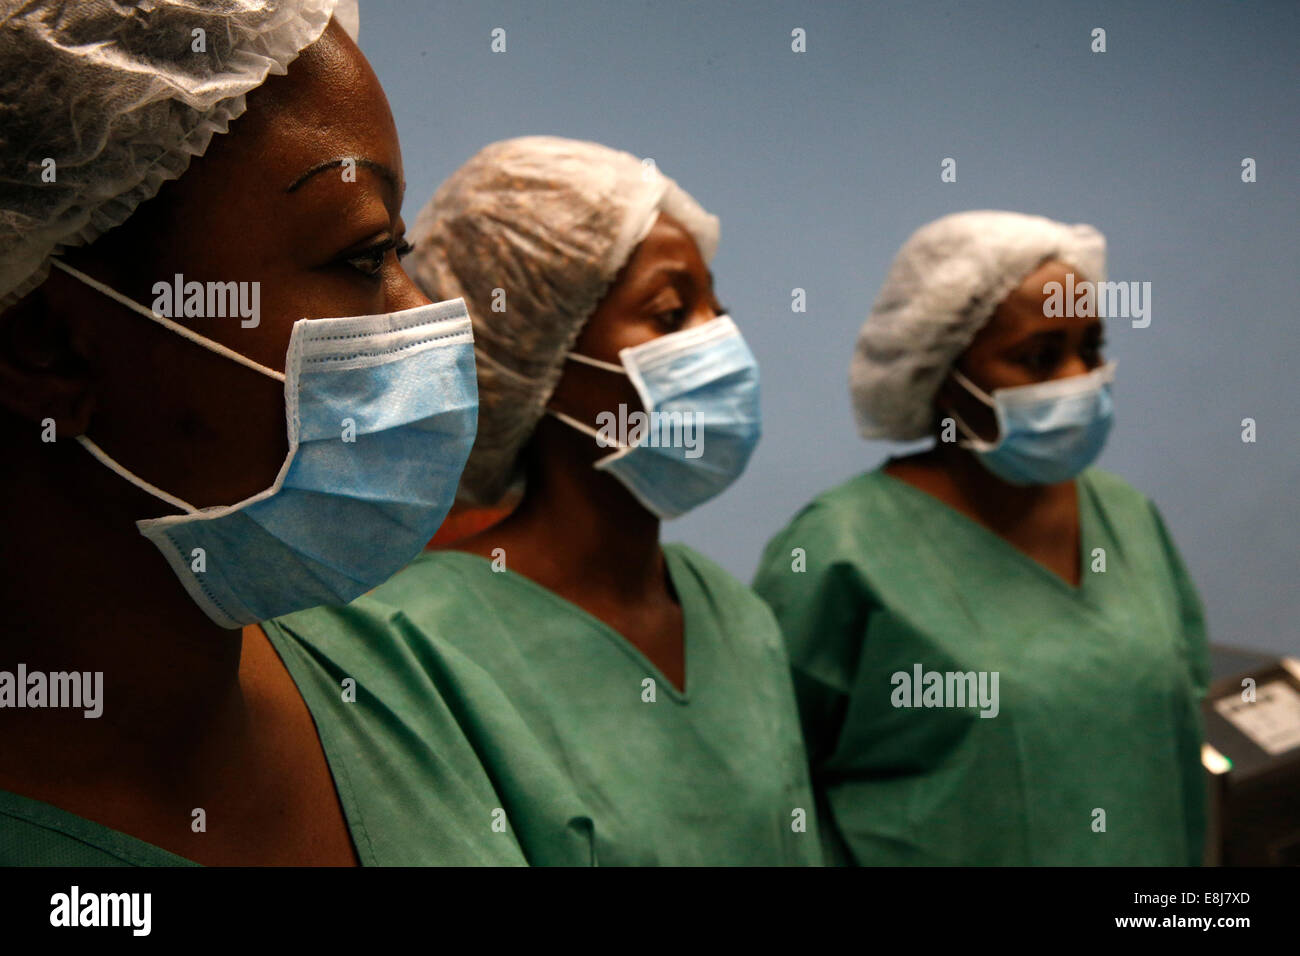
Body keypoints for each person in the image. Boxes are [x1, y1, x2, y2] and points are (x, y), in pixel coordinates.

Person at [0, 0, 526, 866]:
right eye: (361, 257)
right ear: (50, 346)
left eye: (400, 248)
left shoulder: (400, 689)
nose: (423, 315)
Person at [269, 136, 823, 865]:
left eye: (717, 305)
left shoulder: (737, 618)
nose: (719, 339)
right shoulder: (410, 642)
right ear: (533, 355)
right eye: (668, 313)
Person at [754, 210, 1210, 866]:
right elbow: (773, 790)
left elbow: (1180, 735)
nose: (1079, 377)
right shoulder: (841, 552)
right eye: (1039, 357)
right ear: (940, 366)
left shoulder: (1125, 518)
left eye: (1092, 346)